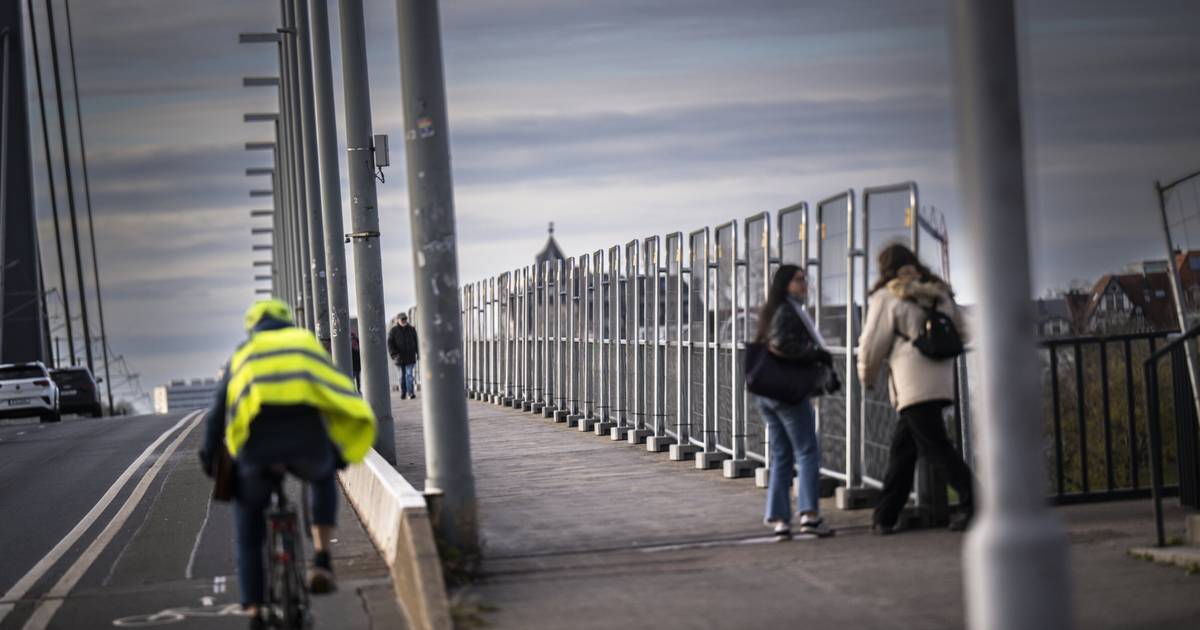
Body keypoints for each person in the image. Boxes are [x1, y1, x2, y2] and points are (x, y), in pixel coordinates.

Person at [198, 299, 377, 628]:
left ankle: (254, 609)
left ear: (253, 325)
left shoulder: (244, 353)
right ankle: (322, 559)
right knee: (323, 476)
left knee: (249, 525)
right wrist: (338, 450)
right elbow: (336, 389)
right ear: (286, 321)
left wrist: (210, 459)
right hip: (305, 445)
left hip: (256, 453)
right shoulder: (304, 345)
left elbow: (217, 413)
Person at [857, 243, 975, 535]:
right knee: (903, 450)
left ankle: (977, 503)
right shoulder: (938, 291)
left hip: (910, 381)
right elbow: (965, 330)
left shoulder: (886, 297)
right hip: (940, 376)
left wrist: (867, 377)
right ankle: (885, 515)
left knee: (936, 447)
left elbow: (871, 346)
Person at [754, 264, 835, 540]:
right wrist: (814, 355)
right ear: (785, 284)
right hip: (786, 393)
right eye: (798, 280)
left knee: (781, 455)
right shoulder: (788, 311)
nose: (804, 284)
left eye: (804, 279)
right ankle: (810, 516)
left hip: (767, 393)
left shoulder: (771, 310)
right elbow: (783, 345)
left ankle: (779, 521)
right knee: (807, 451)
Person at [387, 312, 419, 399]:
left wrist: (418, 353)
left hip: (410, 357)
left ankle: (410, 393)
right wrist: (394, 355)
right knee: (401, 377)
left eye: (405, 319)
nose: (404, 320)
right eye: (402, 319)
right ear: (398, 320)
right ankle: (403, 392)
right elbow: (390, 344)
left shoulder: (411, 329)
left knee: (409, 375)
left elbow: (416, 342)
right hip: (399, 358)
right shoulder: (393, 331)